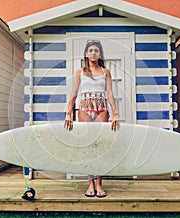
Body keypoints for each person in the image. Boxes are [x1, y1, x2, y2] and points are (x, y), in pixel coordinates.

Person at [64, 39, 120, 198]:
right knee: (88, 146)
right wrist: (68, 113)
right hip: (84, 109)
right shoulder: (79, 72)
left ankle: (99, 183)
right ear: (86, 54)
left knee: (100, 147)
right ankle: (90, 183)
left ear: (100, 53)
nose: (94, 53)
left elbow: (109, 93)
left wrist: (115, 113)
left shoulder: (105, 72)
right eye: (91, 50)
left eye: (96, 50)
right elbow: (74, 94)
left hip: (101, 109)